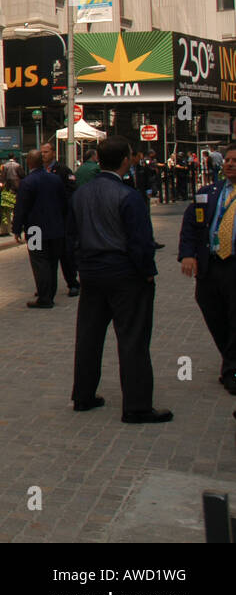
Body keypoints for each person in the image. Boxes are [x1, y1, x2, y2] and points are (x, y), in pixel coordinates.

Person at [69, 135, 171, 423]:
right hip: (125, 274)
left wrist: (80, 266)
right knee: (133, 338)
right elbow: (140, 242)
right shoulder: (129, 196)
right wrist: (148, 273)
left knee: (89, 336)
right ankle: (137, 406)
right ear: (126, 159)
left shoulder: (81, 194)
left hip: (91, 273)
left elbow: (71, 236)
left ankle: (83, 395)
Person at [179, 142, 236, 395]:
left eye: (235, 160)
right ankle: (230, 359)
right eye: (228, 160)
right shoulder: (209, 192)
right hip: (211, 266)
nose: (230, 164)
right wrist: (188, 255)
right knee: (213, 313)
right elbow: (191, 224)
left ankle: (231, 371)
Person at [12, 150, 68, 308]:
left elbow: (21, 208)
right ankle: (50, 293)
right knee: (52, 262)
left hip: (36, 229)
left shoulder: (28, 182)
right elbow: (64, 202)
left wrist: (17, 228)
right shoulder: (55, 179)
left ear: (29, 163)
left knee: (39, 262)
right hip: (56, 228)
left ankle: (44, 297)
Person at [41, 141, 80, 297]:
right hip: (44, 222)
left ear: (53, 153)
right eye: (41, 152)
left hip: (61, 220)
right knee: (46, 257)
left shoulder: (63, 171)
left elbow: (72, 191)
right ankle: (46, 287)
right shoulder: (38, 172)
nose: (43, 155)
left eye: (46, 152)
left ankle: (73, 283)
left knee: (66, 254)